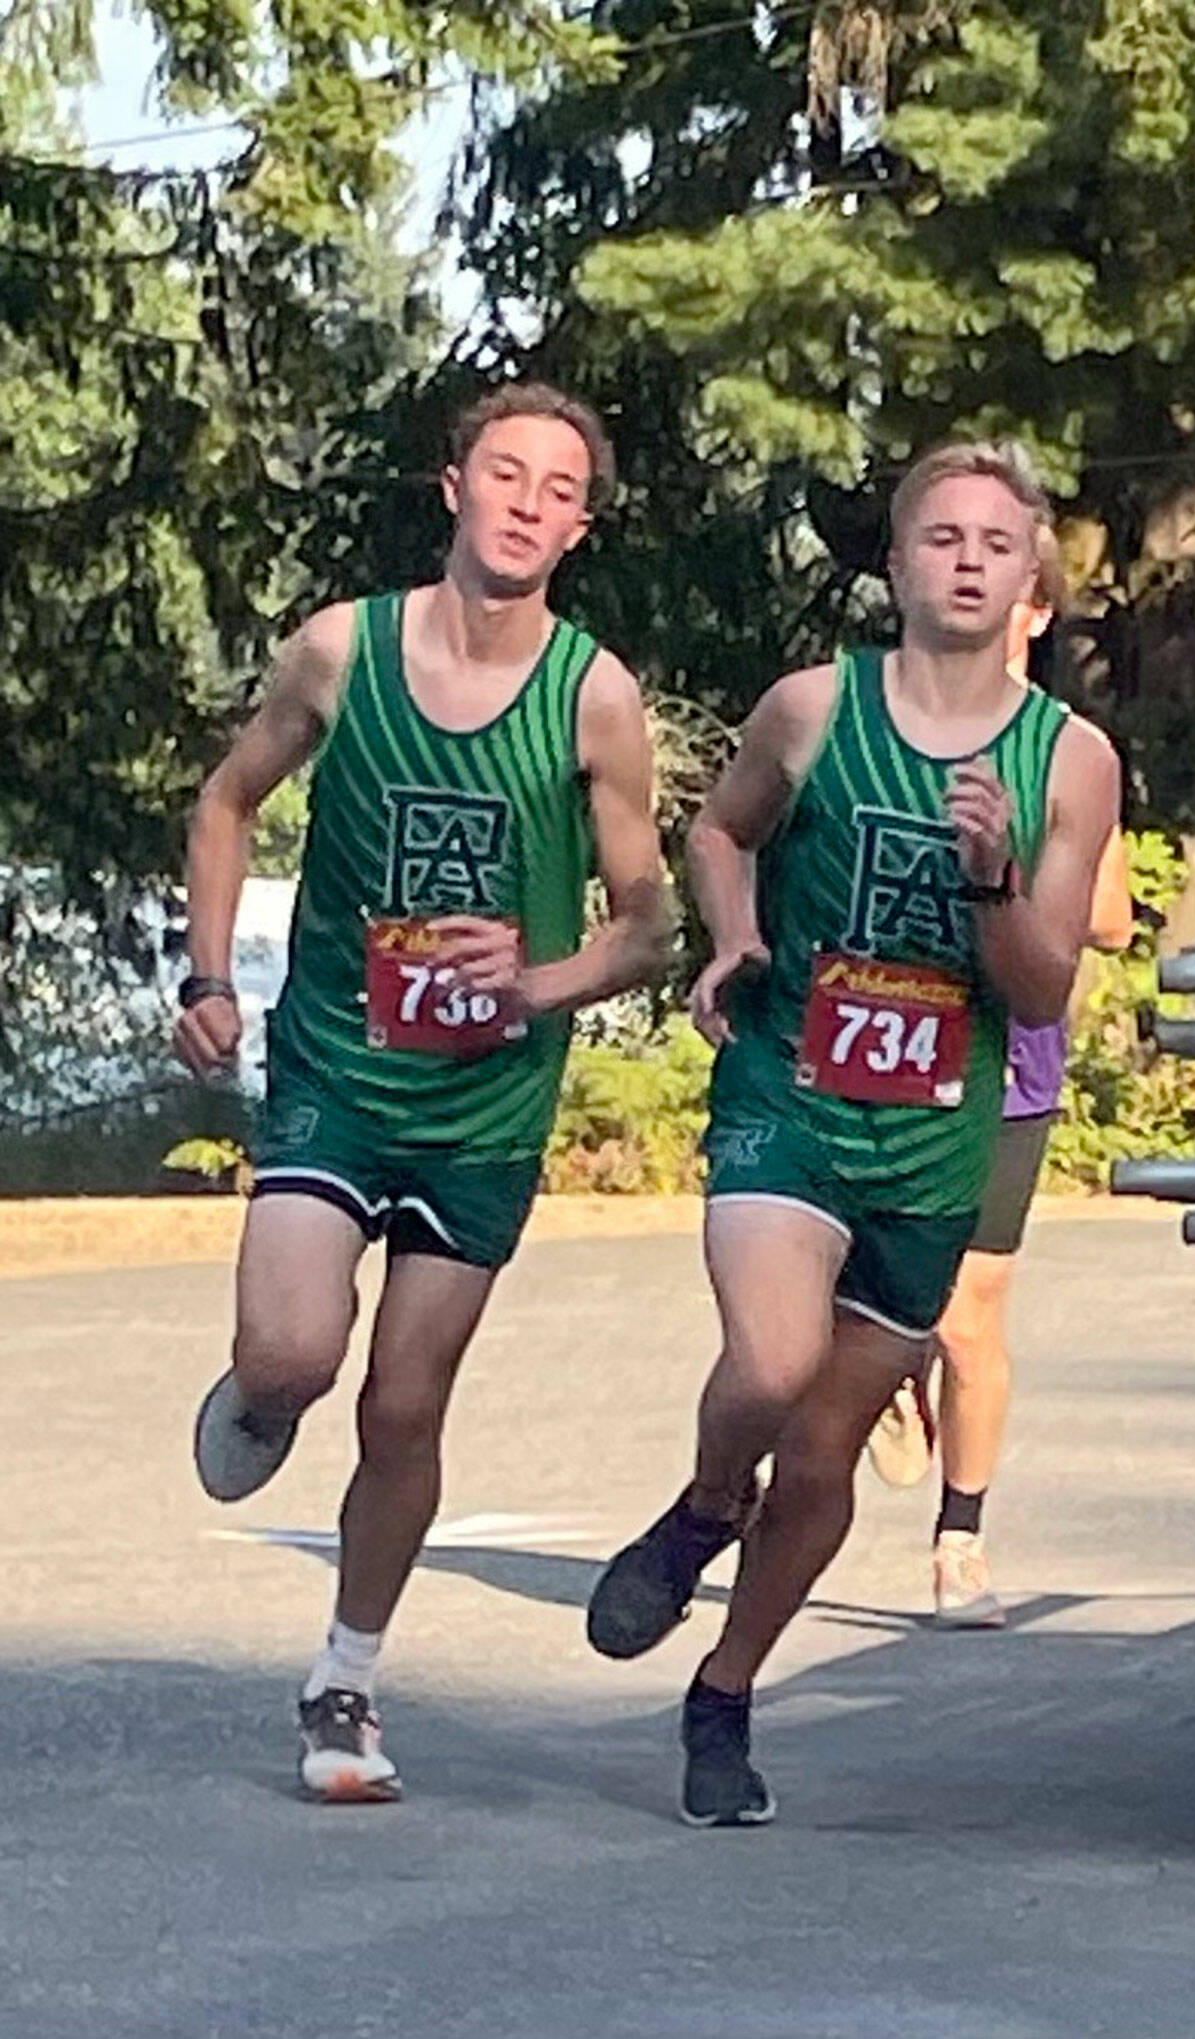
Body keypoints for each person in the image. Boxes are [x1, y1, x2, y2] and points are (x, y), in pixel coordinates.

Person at [585, 441, 1120, 1827]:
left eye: (994, 544)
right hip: (790, 1096)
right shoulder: (815, 706)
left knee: (822, 1452)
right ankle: (704, 1506)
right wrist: (743, 933)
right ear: (896, 563)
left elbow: (1046, 984)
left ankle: (726, 1690)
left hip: (934, 1144)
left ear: (1030, 579)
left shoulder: (1071, 760)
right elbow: (720, 831)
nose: (964, 559)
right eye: (938, 536)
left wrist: (995, 877)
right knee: (769, 1355)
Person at [175, 383, 666, 1802]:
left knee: (404, 1406)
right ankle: (263, 1391)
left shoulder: (596, 694)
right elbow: (227, 800)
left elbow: (645, 921)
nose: (524, 500)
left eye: (555, 485)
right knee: (293, 1354)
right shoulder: (342, 648)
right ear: (452, 486)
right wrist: (210, 978)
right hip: (338, 1060)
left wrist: (541, 975)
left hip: (487, 1101)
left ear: (578, 522)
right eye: (501, 471)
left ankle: (345, 1682)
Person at [867, 598, 1134, 1626]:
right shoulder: (876, 730)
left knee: (969, 1320)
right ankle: (889, 1369)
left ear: (1036, 608)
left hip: (1008, 1067)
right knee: (877, 1310)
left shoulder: (1068, 754)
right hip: (883, 1050)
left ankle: (958, 1540)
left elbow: (1108, 920)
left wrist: (1006, 863)